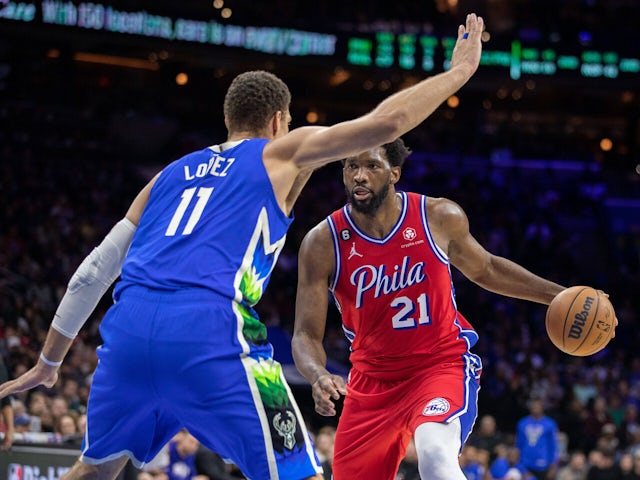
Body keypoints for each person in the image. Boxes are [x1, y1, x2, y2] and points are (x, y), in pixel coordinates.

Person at [0, 13, 486, 480]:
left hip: (126, 330)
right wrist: (458, 72)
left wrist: (49, 362)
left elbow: (93, 272)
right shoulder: (282, 151)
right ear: (279, 120)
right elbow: (386, 123)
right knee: (300, 473)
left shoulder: (168, 175)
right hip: (211, 328)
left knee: (96, 469)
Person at [291, 138, 618, 480]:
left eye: (372, 166)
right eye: (351, 166)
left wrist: (561, 296)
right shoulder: (322, 242)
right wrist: (317, 374)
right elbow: (304, 334)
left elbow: (487, 269)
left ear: (394, 174)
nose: (359, 175)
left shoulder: (437, 215)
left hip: (438, 367)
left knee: (435, 457)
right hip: (370, 384)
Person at [515, 397, 560, 480]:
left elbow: (553, 446)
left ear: (542, 407)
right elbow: (518, 445)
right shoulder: (522, 423)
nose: (536, 408)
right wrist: (520, 466)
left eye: (538, 406)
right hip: (526, 464)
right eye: (534, 406)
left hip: (543, 465)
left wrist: (553, 465)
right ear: (530, 407)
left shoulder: (550, 424)